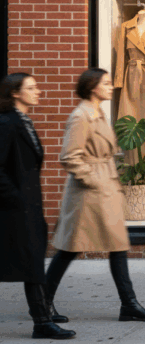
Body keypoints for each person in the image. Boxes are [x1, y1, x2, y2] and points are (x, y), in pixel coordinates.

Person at [46, 68, 145, 323]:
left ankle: (129, 304)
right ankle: (43, 303)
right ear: (92, 87)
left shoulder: (98, 113)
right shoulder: (81, 116)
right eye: (106, 83)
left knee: (117, 246)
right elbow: (69, 157)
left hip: (105, 191)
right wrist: (94, 181)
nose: (111, 86)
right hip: (89, 195)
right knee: (70, 249)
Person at [0, 73, 77, 340]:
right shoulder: (7, 123)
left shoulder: (23, 121)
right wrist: (16, 199)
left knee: (32, 263)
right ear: (14, 93)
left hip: (29, 207)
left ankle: (43, 318)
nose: (39, 91)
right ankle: (42, 321)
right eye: (31, 88)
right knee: (31, 264)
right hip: (16, 209)